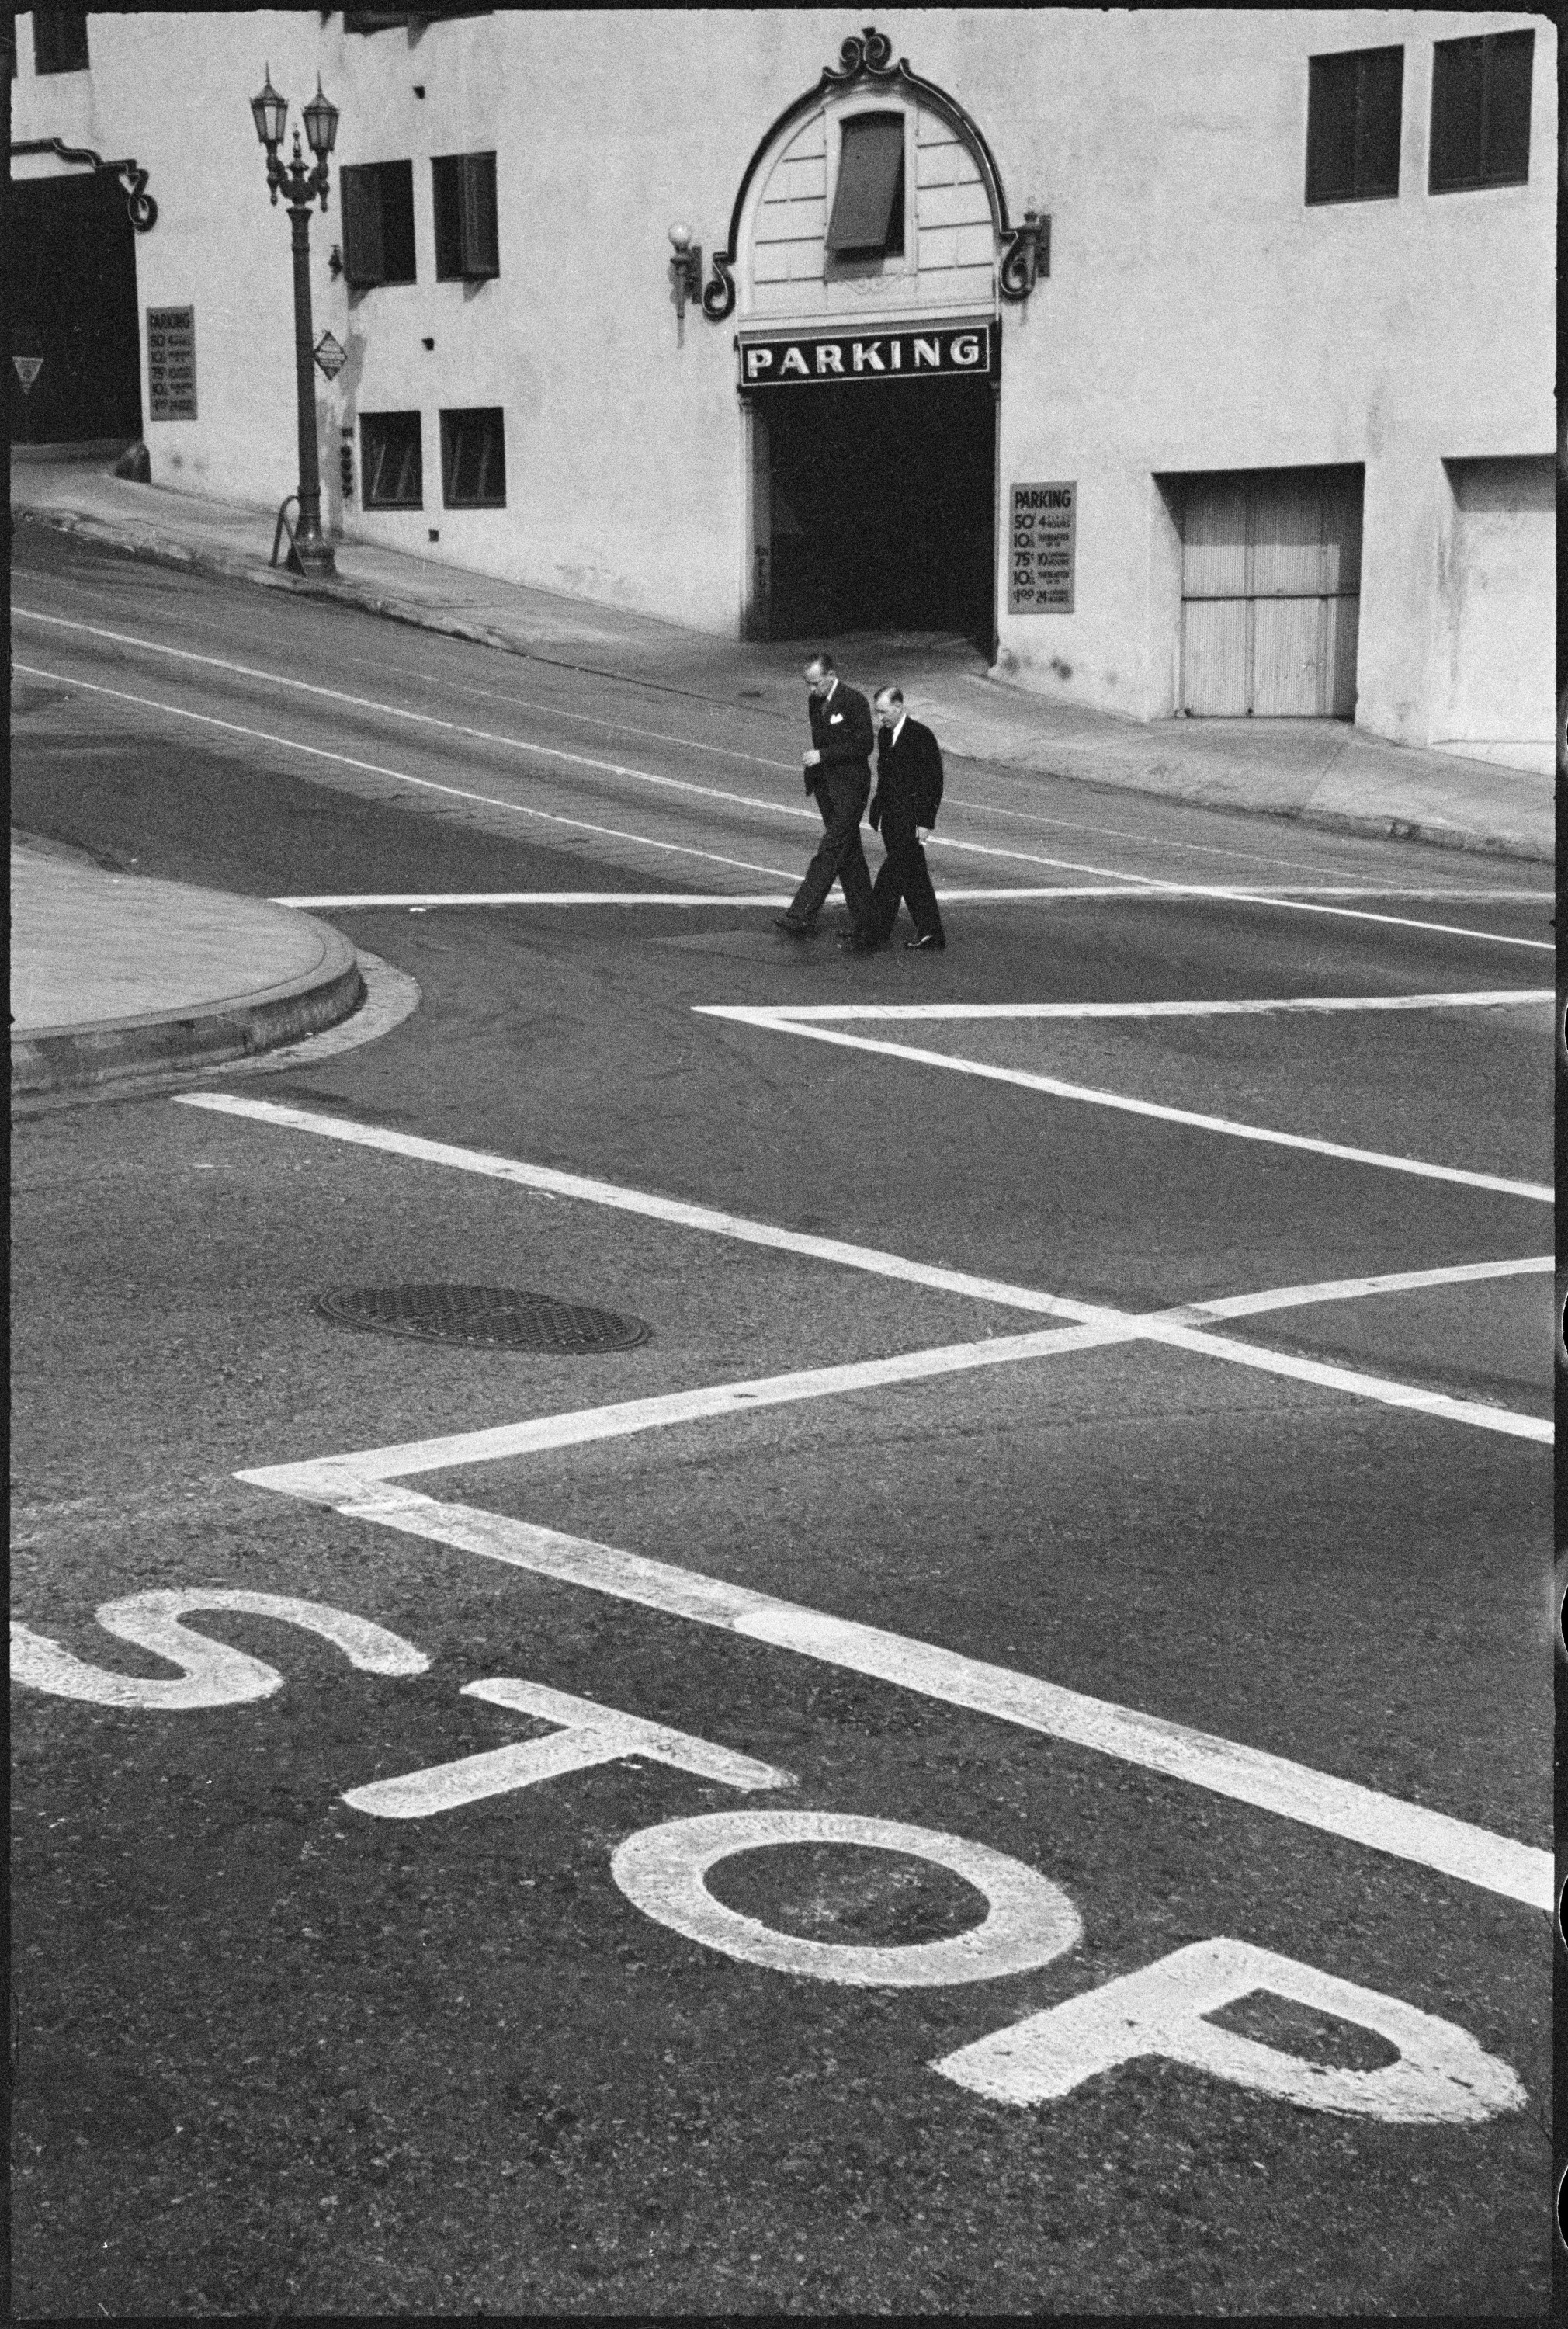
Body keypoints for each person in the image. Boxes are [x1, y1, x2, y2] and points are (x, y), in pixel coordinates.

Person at [775, 654, 878, 950]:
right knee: (848, 852)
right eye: (808, 684)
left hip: (850, 787)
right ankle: (867, 922)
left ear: (831, 675)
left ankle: (801, 912)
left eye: (816, 683)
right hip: (826, 787)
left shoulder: (853, 701)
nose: (812, 690)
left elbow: (864, 746)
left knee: (831, 848)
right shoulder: (815, 702)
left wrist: (823, 756)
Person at [868, 687, 946, 951]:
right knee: (914, 878)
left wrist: (925, 822)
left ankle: (872, 930)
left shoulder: (921, 736)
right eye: (878, 713)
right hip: (892, 818)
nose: (880, 719)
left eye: (884, 712)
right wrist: (877, 809)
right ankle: (931, 932)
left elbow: (933, 782)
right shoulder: (885, 734)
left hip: (911, 820)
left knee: (890, 876)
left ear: (899, 707)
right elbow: (885, 776)